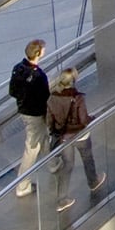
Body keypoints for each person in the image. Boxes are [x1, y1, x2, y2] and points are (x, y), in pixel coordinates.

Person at [44, 68, 105, 212]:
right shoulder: (77, 98)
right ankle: (93, 181)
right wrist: (92, 119)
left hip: (64, 137)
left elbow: (49, 120)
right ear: (73, 81)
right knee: (87, 157)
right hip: (79, 134)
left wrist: (55, 132)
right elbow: (83, 119)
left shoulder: (52, 98)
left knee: (68, 165)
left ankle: (62, 199)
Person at [10, 40, 51, 198]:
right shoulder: (39, 76)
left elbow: (12, 91)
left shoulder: (18, 69)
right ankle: (23, 184)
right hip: (36, 114)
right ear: (38, 53)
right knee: (32, 148)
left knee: (43, 137)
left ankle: (54, 164)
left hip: (24, 111)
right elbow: (44, 97)